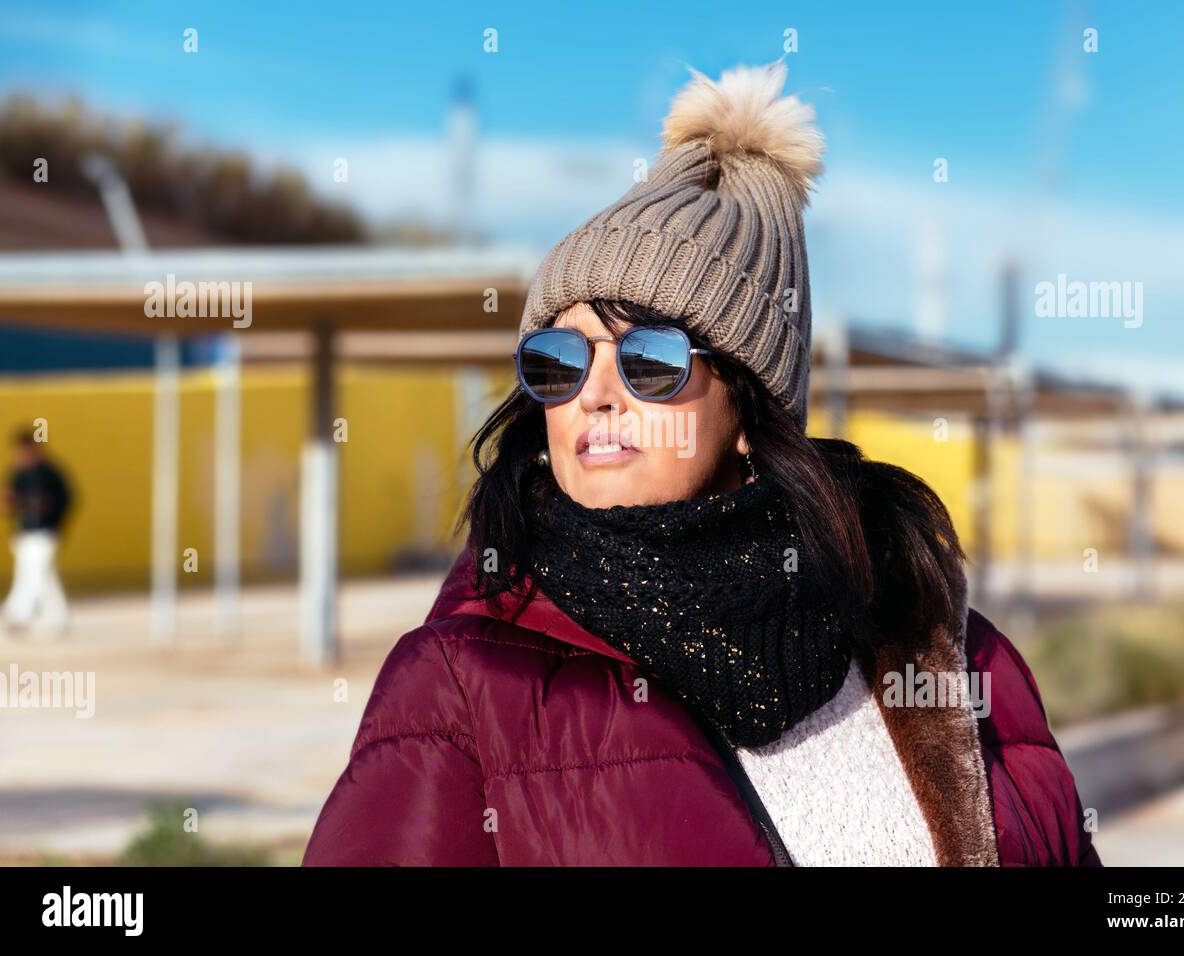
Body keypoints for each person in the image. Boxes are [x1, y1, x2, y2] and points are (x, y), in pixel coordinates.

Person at [304, 61, 1100, 866]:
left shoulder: (942, 648)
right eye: (556, 361)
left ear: (750, 412)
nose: (597, 394)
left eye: (651, 360)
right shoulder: (458, 687)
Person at [1, 427, 72, 638]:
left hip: (46, 532)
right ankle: (59, 617)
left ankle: (17, 614)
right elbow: (7, 504)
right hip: (25, 533)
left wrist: (52, 517)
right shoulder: (18, 474)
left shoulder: (50, 473)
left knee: (35, 573)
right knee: (43, 576)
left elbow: (67, 500)